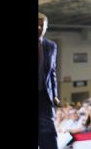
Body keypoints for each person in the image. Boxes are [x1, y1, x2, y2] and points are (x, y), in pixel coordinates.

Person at [39, 13, 60, 149]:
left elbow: (52, 72)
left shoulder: (51, 46)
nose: (39, 27)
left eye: (42, 24)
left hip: (44, 95)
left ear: (46, 27)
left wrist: (55, 95)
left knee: (48, 132)